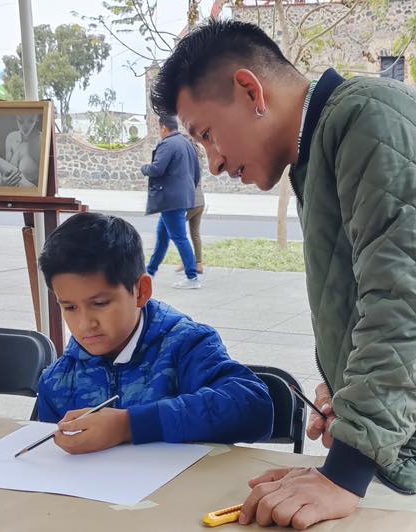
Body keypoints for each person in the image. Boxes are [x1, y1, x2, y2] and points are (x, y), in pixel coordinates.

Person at [150, 20, 416, 531]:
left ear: (250, 90)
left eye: (207, 135)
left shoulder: (371, 117)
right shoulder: (325, 145)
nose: (215, 162)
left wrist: (346, 470)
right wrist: (350, 401)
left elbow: (404, 301)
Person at [36, 212, 273, 453]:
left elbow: (255, 408)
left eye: (100, 304)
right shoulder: (59, 379)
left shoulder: (186, 346)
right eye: (70, 307)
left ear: (141, 291)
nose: (85, 324)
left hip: (181, 488)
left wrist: (129, 425)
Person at [142, 115, 202, 289]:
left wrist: (144, 168)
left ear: (163, 128)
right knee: (162, 237)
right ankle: (150, 271)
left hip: (170, 199)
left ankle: (192, 277)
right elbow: (196, 173)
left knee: (179, 237)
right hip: (180, 198)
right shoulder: (187, 144)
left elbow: (157, 168)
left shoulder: (167, 144)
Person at [179, 135, 206, 275]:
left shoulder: (188, 160)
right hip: (200, 201)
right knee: (195, 233)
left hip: (191, 202)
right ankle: (199, 264)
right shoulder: (198, 158)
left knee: (176, 230)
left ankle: (187, 261)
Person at [0, 113, 41, 188]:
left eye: (31, 121)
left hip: (32, 190)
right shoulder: (11, 138)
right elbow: (7, 171)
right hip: (12, 190)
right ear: (16, 118)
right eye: (20, 121)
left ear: (37, 119)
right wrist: (5, 181)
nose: (25, 127)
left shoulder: (42, 140)